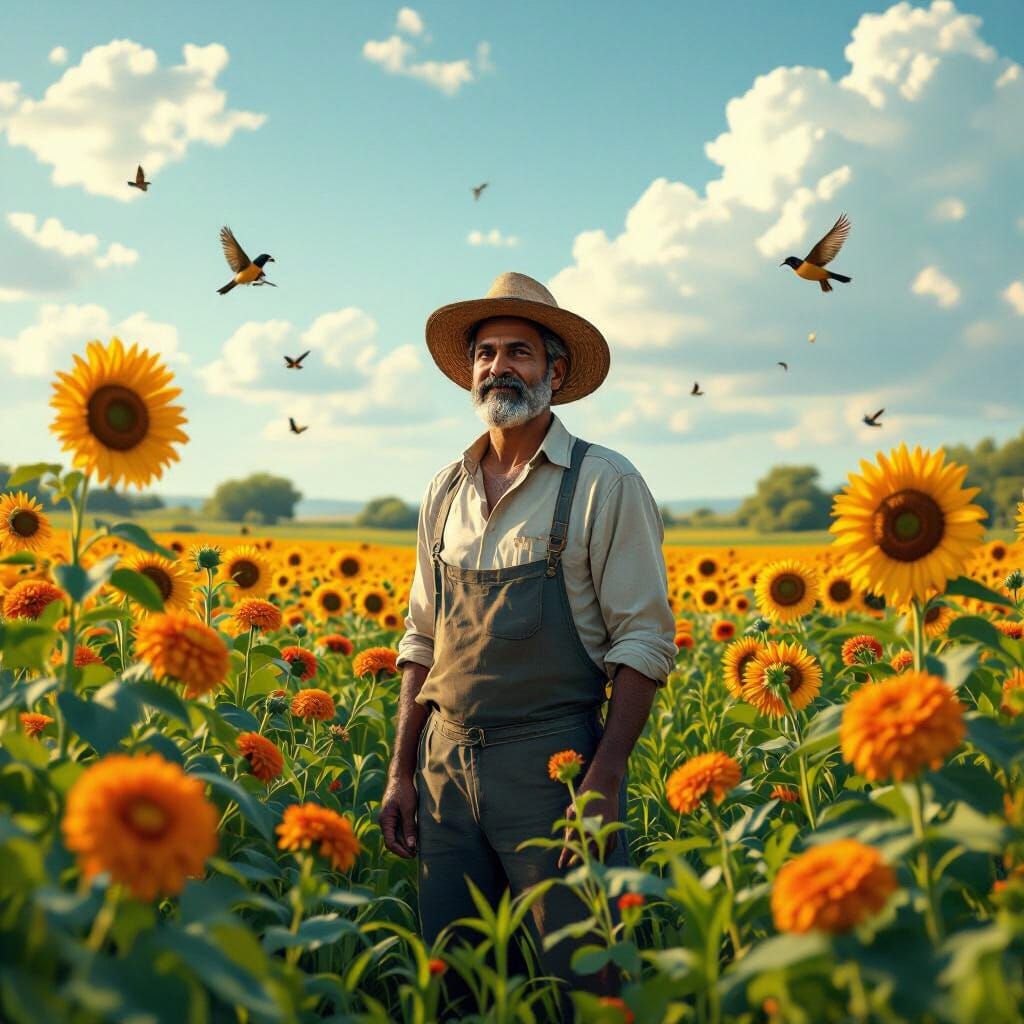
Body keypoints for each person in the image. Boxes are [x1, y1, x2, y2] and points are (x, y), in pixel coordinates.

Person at [377, 271, 676, 1019]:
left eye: (518, 352)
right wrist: (401, 770)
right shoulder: (444, 488)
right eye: (484, 353)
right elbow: (422, 637)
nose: (498, 367)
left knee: (585, 982)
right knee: (456, 983)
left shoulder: (604, 482)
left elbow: (644, 639)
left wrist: (604, 777)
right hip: (444, 768)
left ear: (556, 371)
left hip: (555, 770)